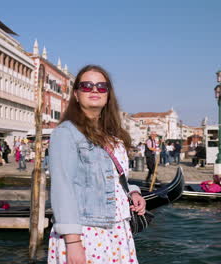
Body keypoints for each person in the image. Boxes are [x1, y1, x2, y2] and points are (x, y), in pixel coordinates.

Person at [48, 65, 145, 264]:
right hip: (86, 231)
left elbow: (114, 177)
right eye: (87, 86)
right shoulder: (66, 133)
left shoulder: (112, 134)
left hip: (118, 229)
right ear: (76, 94)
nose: (94, 90)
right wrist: (73, 242)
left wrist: (133, 192)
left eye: (101, 86)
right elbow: (62, 188)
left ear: (108, 94)